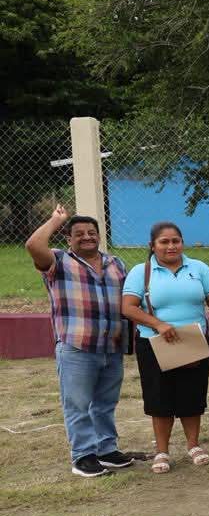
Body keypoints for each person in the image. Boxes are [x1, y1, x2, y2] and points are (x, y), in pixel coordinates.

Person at [26, 205, 131, 478]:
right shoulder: (58, 262)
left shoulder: (115, 263)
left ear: (99, 236)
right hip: (76, 347)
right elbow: (33, 244)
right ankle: (83, 456)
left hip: (111, 347)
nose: (87, 237)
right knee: (77, 404)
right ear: (69, 239)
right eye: (79, 234)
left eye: (92, 232)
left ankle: (106, 449)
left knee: (105, 403)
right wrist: (55, 220)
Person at [121, 221, 209, 473]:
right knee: (160, 397)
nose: (171, 246)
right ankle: (162, 451)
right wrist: (157, 324)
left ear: (182, 242)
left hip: (193, 339)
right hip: (155, 341)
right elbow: (128, 307)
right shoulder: (141, 272)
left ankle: (193, 445)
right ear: (152, 245)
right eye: (164, 242)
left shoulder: (198, 268)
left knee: (192, 394)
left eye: (175, 241)